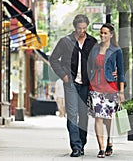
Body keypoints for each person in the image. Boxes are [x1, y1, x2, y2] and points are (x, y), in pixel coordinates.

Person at [49, 14, 97, 157]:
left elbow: (99, 61)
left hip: (86, 84)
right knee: (72, 114)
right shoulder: (65, 41)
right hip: (70, 83)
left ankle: (82, 142)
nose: (82, 31)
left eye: (84, 28)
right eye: (79, 28)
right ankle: (76, 146)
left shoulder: (92, 42)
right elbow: (53, 59)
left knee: (83, 116)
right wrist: (64, 76)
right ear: (74, 27)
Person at [88, 23, 126, 158]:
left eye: (105, 33)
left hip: (110, 88)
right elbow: (89, 66)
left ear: (111, 35)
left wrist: (121, 92)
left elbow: (121, 73)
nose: (103, 35)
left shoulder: (116, 51)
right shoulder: (95, 49)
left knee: (108, 118)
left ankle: (110, 140)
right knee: (98, 117)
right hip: (95, 87)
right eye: (101, 33)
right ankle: (102, 148)